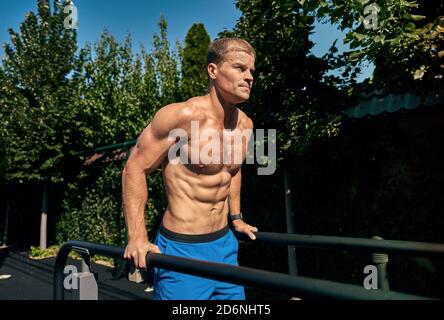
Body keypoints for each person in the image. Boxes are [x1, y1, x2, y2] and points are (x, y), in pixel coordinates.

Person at [122, 37, 258, 300]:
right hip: (182, 248)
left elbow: (233, 171)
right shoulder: (181, 117)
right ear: (213, 71)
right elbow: (134, 168)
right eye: (240, 68)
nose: (249, 77)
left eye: (252, 71)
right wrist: (137, 237)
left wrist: (236, 217)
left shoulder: (246, 126)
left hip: (225, 246)